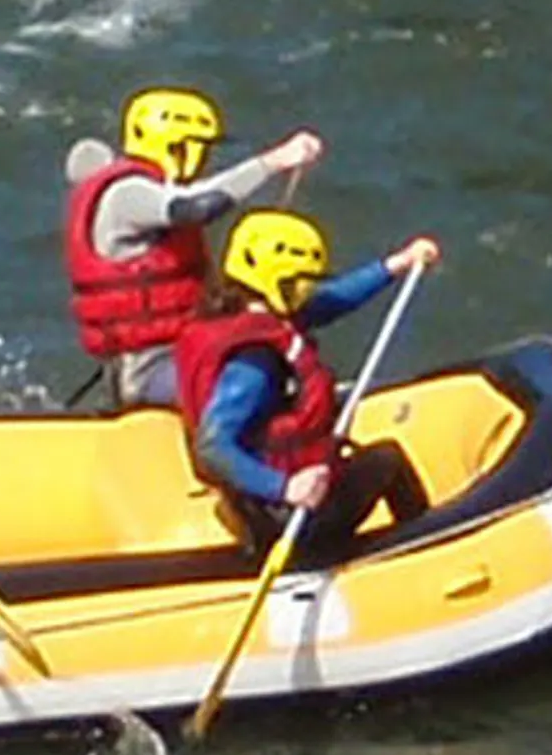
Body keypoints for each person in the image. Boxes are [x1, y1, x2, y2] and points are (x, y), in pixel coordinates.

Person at [174, 208, 438, 562]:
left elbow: (331, 300)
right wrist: (286, 488)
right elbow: (212, 445)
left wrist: (396, 266)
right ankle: (426, 549)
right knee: (387, 460)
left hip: (247, 501)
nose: (308, 291)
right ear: (275, 280)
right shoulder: (256, 361)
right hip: (286, 516)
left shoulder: (236, 313)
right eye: (301, 283)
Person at [63, 86, 325, 409]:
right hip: (146, 371)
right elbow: (197, 206)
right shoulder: (126, 194)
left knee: (280, 353)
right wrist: (272, 162)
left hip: (183, 350)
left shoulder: (153, 192)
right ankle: (243, 453)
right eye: (199, 149)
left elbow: (193, 199)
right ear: (176, 147)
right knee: (255, 382)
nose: (204, 161)